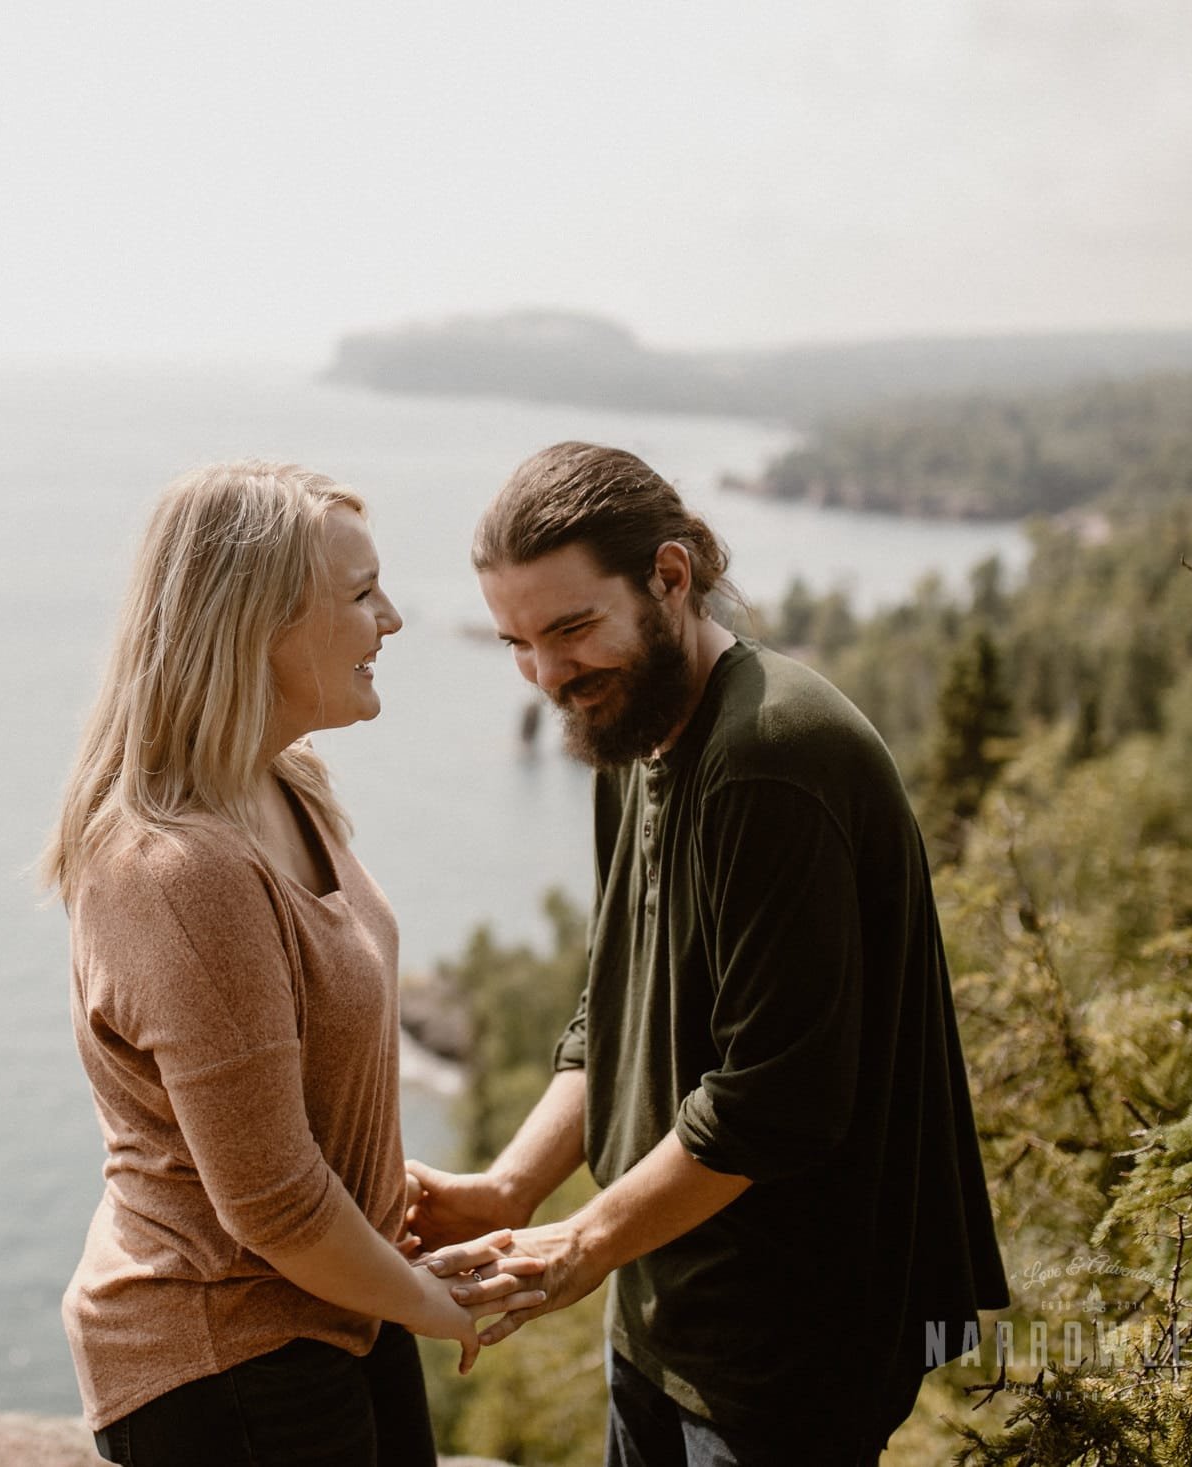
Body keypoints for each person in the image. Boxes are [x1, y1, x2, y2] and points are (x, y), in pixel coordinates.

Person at [408, 443, 1009, 1466]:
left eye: (571, 629)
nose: (549, 676)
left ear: (670, 579)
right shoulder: (630, 729)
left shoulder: (768, 758)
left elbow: (776, 1101)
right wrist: (515, 1189)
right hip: (666, 1304)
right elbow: (618, 1008)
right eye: (516, 643)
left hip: (788, 1337)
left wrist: (584, 1243)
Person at [43, 461, 543, 1467]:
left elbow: (285, 1098)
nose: (392, 619)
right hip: (226, 1356)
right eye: (360, 596)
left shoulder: (286, 787)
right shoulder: (179, 871)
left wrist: (383, 1191)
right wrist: (445, 1308)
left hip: (335, 1308)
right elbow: (268, 1200)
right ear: (256, 626)